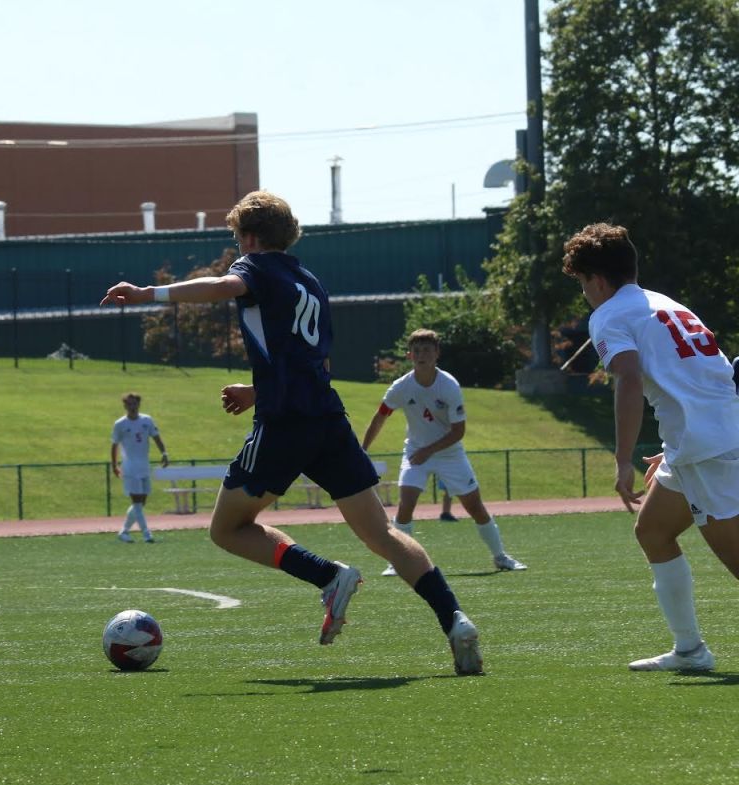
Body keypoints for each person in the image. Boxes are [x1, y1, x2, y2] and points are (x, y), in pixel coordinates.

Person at [100, 190, 483, 675]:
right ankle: (455, 619)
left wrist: (144, 295)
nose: (238, 248)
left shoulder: (256, 268)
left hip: (284, 423)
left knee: (227, 529)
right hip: (326, 416)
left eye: (238, 238)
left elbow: (222, 287)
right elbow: (312, 362)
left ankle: (328, 575)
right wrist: (257, 389)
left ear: (252, 238)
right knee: (382, 532)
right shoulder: (311, 282)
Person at [563, 222, 739, 672]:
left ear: (597, 280)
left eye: (583, 283)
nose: (585, 293)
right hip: (704, 438)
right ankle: (690, 650)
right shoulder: (664, 303)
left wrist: (622, 460)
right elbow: (707, 378)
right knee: (653, 531)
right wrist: (674, 445)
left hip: (708, 449)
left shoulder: (607, 314)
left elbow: (628, 376)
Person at [361, 329, 526, 576]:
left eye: (427, 350)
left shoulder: (448, 386)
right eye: (416, 350)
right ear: (409, 355)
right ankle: (397, 562)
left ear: (437, 353)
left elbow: (458, 431)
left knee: (475, 506)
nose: (421, 355)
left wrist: (429, 450)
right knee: (406, 502)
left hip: (450, 453)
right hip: (416, 451)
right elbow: (380, 416)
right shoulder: (401, 387)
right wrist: (363, 450)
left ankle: (501, 557)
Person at [111, 392, 169, 543]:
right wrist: (114, 465)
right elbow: (114, 445)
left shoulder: (146, 420)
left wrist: (164, 453)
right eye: (129, 404)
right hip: (130, 468)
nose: (132, 406)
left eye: (134, 403)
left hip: (144, 466)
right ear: (125, 406)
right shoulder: (120, 424)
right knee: (136, 501)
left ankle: (124, 532)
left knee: (141, 502)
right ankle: (146, 533)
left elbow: (156, 437)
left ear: (138, 404)